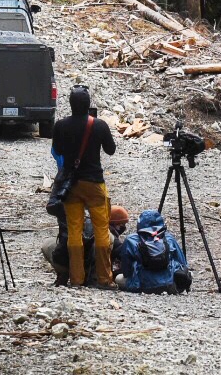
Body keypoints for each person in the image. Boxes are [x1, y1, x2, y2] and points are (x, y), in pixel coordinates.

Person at [50, 85, 116, 287]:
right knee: (102, 230)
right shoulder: (99, 125)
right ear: (88, 106)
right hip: (94, 184)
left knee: (74, 232)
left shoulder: (60, 125)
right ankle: (105, 278)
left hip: (72, 186)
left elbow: (58, 150)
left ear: (70, 105)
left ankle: (76, 279)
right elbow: (111, 150)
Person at [117, 209, 191, 294]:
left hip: (141, 286)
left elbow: (126, 272)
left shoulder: (131, 239)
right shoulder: (168, 238)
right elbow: (183, 263)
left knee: (118, 278)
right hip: (169, 285)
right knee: (187, 274)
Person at [42, 213, 95, 287]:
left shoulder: (66, 216)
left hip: (64, 259)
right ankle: (93, 277)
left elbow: (51, 206)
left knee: (48, 243)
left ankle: (64, 274)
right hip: (90, 263)